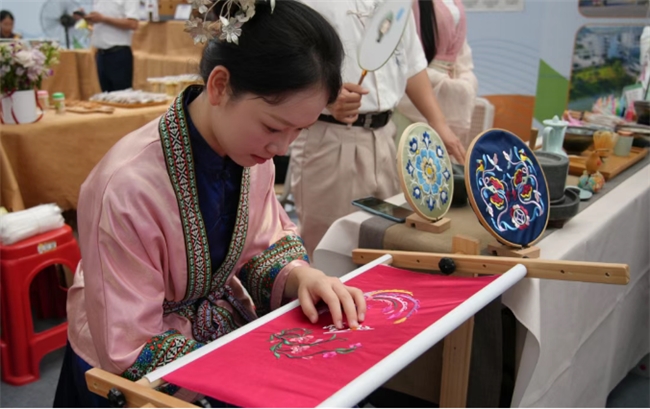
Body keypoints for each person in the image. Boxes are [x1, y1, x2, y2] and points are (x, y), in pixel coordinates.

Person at [53, 1, 366, 406]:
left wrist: (302, 278)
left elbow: (263, 244)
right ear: (219, 85)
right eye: (273, 126)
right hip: (132, 363)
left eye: (299, 131)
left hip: (219, 335)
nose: (282, 148)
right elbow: (128, 342)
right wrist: (241, 373)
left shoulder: (252, 155)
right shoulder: (127, 186)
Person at [290, 0, 466, 258]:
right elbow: (287, 60)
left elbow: (412, 64)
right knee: (329, 249)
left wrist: (439, 123)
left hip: (385, 137)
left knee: (385, 238)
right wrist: (326, 96)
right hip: (331, 137)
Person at [397, 0, 479, 149]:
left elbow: (462, 55)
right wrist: (444, 83)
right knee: (413, 154)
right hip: (415, 92)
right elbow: (407, 58)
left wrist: (466, 82)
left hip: (450, 88)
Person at [84, 0, 139, 92]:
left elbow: (133, 24)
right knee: (106, 95)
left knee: (122, 95)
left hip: (118, 53)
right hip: (101, 53)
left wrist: (103, 19)